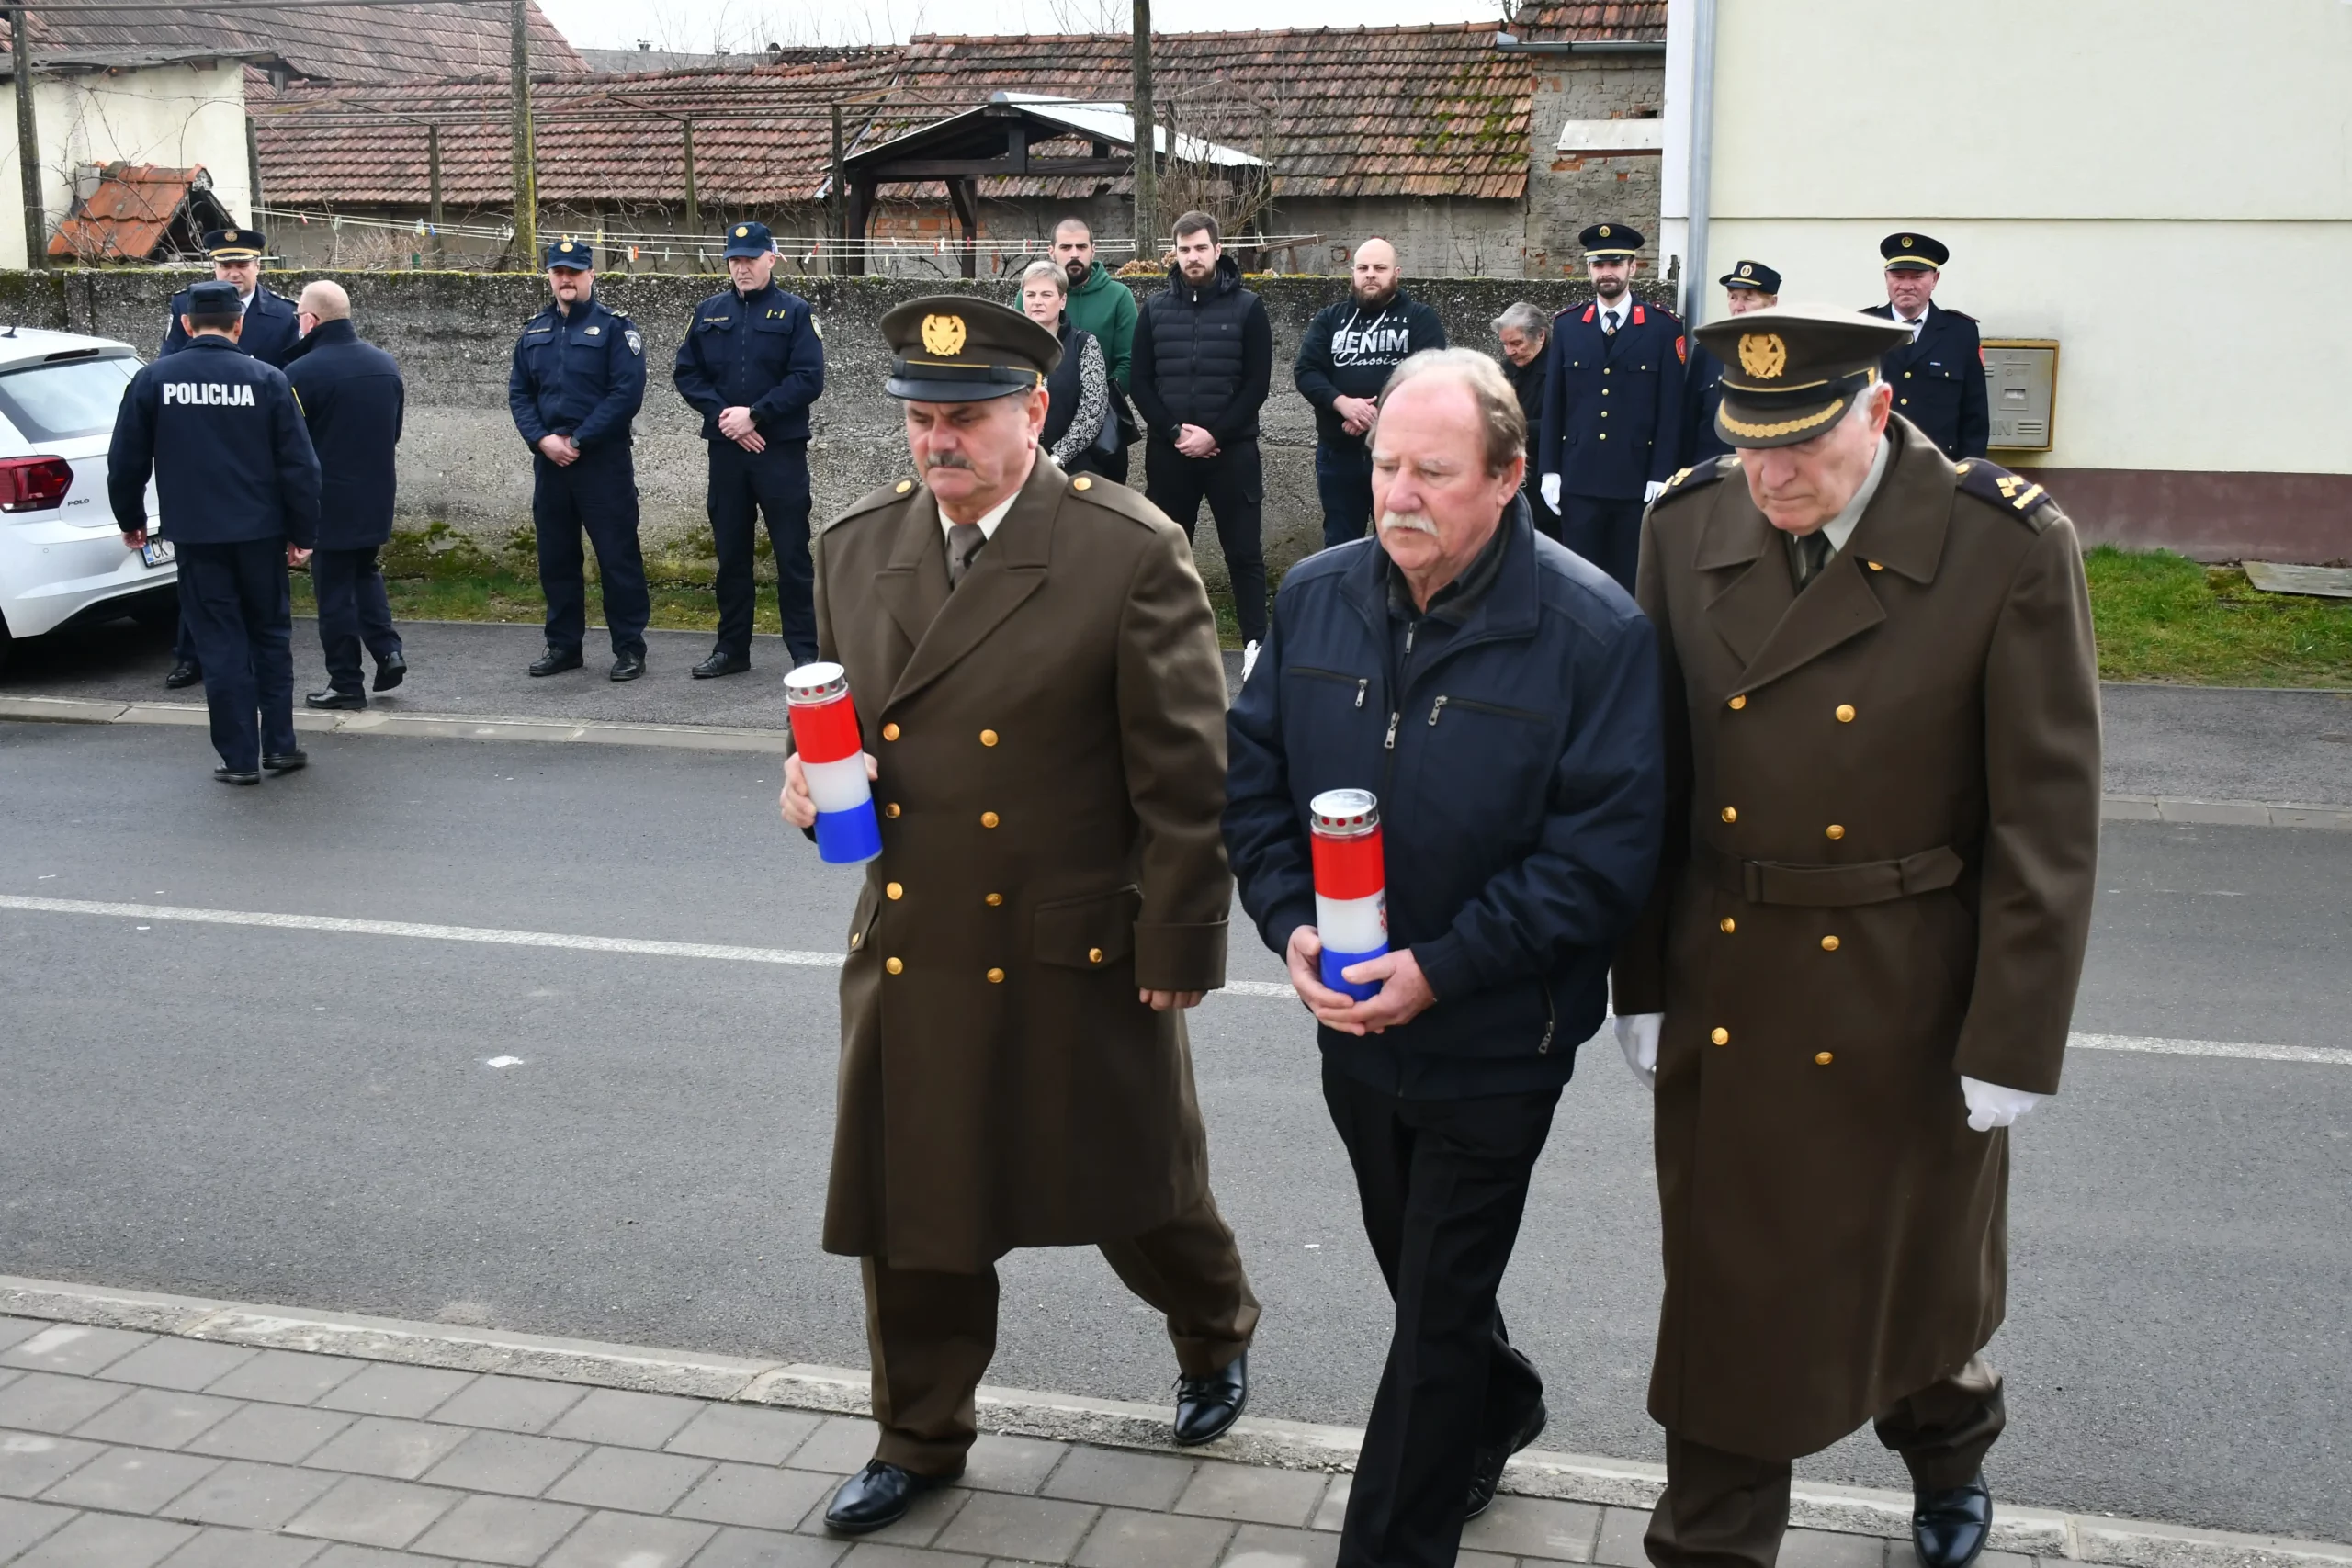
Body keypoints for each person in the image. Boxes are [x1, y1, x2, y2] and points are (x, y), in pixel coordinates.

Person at [1613, 303, 2100, 1568]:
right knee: (1727, 1291)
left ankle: (1950, 1442)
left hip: (1907, 988)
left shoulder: (2005, 548)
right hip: (1731, 972)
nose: (1773, 474)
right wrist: (1642, 972)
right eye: (1751, 442)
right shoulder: (1684, 525)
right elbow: (1651, 778)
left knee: (1905, 1277)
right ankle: (1712, 1539)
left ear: (1879, 412)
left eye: (1804, 446)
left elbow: (2045, 816)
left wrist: (2015, 1032)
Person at [779, 296, 1258, 1535]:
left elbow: (1187, 774)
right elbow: (842, 729)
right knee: (917, 1201)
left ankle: (1213, 1327)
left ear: (1035, 414)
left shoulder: (1125, 549)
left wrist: (1179, 939)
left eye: (966, 419)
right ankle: (919, 1433)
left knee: (1136, 1185)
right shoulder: (854, 546)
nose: (938, 444)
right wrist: (803, 781)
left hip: (1075, 939)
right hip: (920, 936)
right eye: (921, 420)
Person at [1225, 347, 1664, 1568]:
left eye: (1433, 469)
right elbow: (1251, 787)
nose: (1399, 492)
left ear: (1510, 476)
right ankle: (1501, 1397)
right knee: (1429, 1287)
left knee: (1428, 1322)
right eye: (1385, 464)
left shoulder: (1594, 631)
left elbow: (1600, 860)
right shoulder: (1312, 596)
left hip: (1493, 1041)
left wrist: (1446, 965)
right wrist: (1289, 923)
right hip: (1354, 1029)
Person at [109, 280, 321, 783]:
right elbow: (300, 466)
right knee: (270, 636)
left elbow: (125, 461)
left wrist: (131, 520)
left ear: (186, 324)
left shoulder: (153, 380)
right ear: (238, 323)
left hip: (197, 537)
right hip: (260, 534)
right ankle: (281, 747)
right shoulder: (268, 379)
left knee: (220, 642)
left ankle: (239, 758)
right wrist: (302, 530)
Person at [672, 220, 825, 676]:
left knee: (792, 554)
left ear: (771, 259)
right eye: (735, 261)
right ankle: (732, 649)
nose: (742, 268)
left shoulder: (795, 312)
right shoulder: (708, 312)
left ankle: (804, 651)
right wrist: (729, 419)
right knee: (732, 555)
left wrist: (756, 415)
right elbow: (687, 374)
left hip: (778, 451)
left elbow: (807, 378)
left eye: (750, 259)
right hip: (727, 451)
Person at [155, 226, 303, 693]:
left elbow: (292, 384)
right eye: (225, 265)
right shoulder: (185, 308)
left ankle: (256, 656)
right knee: (198, 575)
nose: (234, 272)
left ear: (258, 266)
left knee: (255, 580)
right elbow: (167, 370)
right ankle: (190, 655)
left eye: (242, 264)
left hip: (256, 453)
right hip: (201, 453)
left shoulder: (280, 316)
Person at [1129, 210, 1273, 677]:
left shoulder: (1249, 308)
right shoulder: (1153, 309)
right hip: (1170, 454)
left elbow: (1257, 384)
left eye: (1200, 248)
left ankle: (1255, 645)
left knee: (1244, 553)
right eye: (1184, 249)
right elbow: (1140, 381)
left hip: (1232, 453)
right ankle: (1168, 642)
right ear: (1175, 253)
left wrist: (1215, 434)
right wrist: (1175, 433)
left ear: (1217, 250)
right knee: (1169, 552)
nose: (1192, 257)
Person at [508, 238, 650, 682]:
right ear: (549, 276)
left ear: (591, 275)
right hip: (550, 463)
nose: (565, 279)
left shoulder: (615, 329)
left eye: (574, 271)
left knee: (617, 557)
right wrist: (542, 440)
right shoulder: (533, 332)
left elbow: (626, 394)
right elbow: (519, 394)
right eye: (558, 272)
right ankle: (564, 646)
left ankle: (629, 648)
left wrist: (579, 440)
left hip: (601, 463)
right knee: (556, 557)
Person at [1536, 221, 1686, 593]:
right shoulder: (1569, 326)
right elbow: (1554, 403)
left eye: (1616, 263)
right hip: (1579, 479)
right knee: (1577, 586)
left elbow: (1671, 410)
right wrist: (1549, 470)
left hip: (1635, 483)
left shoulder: (1662, 328)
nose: (1607, 272)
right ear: (1589, 270)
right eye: (1599, 265)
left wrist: (1661, 473)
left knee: (1630, 584)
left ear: (1633, 268)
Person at [283, 281, 407, 710]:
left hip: (327, 501)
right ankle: (389, 651)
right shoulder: (385, 364)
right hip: (375, 494)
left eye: (299, 316)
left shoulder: (298, 374)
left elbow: (292, 450)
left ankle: (345, 682)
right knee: (365, 573)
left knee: (333, 593)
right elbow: (392, 433)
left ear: (310, 320)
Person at [1295, 238, 1446, 550]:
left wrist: (1374, 419)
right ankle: (1346, 601)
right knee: (1339, 544)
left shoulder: (1420, 318)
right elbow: (1307, 371)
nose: (1370, 275)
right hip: (1339, 455)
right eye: (1363, 268)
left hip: (1399, 458)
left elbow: (1429, 377)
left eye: (1380, 268)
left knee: (1397, 543)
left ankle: (1392, 602)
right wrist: (1343, 405)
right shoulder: (1330, 319)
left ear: (1396, 273)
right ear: (1353, 273)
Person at [1860, 232, 1988, 459]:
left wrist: (1968, 474)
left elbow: (1975, 415)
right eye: (1898, 276)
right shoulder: (1863, 327)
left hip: (1938, 465)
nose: (1906, 286)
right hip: (1872, 463)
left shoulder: (1961, 333)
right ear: (1886, 278)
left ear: (1935, 280)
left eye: (1917, 277)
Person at [1050, 217, 1138, 484]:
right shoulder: (1034, 296)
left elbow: (1130, 362)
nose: (1074, 254)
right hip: (1046, 427)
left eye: (1081, 246)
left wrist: (1094, 403)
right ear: (1051, 251)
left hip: (1102, 434)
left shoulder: (1119, 297)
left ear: (1093, 249)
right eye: (1066, 247)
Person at [1677, 260, 1779, 468]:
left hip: (1766, 474)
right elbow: (1689, 420)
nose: (1738, 306)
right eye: (1733, 297)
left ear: (1772, 302)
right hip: (1712, 475)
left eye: (1748, 299)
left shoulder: (1787, 353)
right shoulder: (1708, 349)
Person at [1017, 260, 1113, 477]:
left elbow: (1092, 411)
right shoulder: (1009, 347)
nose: (1037, 302)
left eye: (1046, 295)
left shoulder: (1084, 344)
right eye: (1030, 295)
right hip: (1018, 467)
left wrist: (1056, 459)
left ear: (1062, 300)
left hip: (1072, 470)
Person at [1493, 300, 1556, 539]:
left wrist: (1514, 429)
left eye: (1516, 343)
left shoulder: (1559, 368)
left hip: (1545, 475)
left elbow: (1561, 423)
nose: (1510, 351)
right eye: (1505, 344)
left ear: (1540, 336)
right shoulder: (1506, 368)